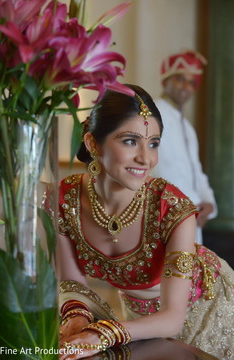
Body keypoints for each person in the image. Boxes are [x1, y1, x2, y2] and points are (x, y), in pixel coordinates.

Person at [58, 84, 234, 360]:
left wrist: (102, 334)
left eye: (153, 143)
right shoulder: (66, 199)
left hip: (206, 311)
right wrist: (77, 319)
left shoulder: (173, 209)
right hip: (138, 322)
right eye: (130, 141)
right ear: (93, 143)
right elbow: (73, 284)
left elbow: (173, 317)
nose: (146, 158)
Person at [151, 50, 217, 245]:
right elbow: (155, 168)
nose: (186, 87)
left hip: (193, 217)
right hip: (166, 215)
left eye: (191, 82)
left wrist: (208, 203)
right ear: (165, 81)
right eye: (180, 79)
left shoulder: (188, 127)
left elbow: (196, 171)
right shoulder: (153, 113)